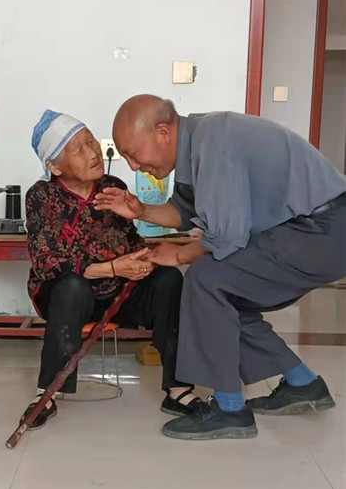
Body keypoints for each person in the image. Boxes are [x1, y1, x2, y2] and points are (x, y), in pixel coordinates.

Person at [95, 95, 346, 442]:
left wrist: (179, 256)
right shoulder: (197, 143)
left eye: (133, 154)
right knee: (225, 297)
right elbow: (184, 212)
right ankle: (302, 382)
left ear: (163, 133)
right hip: (311, 230)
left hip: (322, 228)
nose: (134, 167)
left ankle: (229, 409)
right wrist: (140, 211)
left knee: (207, 279)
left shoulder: (215, 140)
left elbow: (226, 236)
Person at [21, 109, 198, 429]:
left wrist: (142, 260)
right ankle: (46, 394)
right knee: (71, 285)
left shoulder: (112, 186)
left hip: (118, 291)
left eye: (91, 141)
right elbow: (48, 262)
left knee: (169, 279)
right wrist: (114, 267)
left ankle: (178, 389)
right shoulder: (42, 196)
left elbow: (129, 240)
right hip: (69, 297)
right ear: (55, 166)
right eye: (78, 148)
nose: (92, 152)